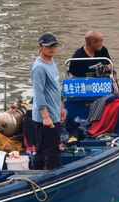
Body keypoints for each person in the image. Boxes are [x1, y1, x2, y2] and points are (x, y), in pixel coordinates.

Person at [31, 33, 66, 170]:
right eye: (48, 46)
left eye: (54, 46)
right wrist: (46, 117)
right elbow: (38, 94)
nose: (52, 49)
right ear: (41, 47)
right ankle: (40, 178)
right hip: (44, 119)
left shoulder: (52, 62)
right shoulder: (39, 68)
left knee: (54, 149)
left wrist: (61, 107)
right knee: (47, 152)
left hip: (55, 114)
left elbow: (56, 88)